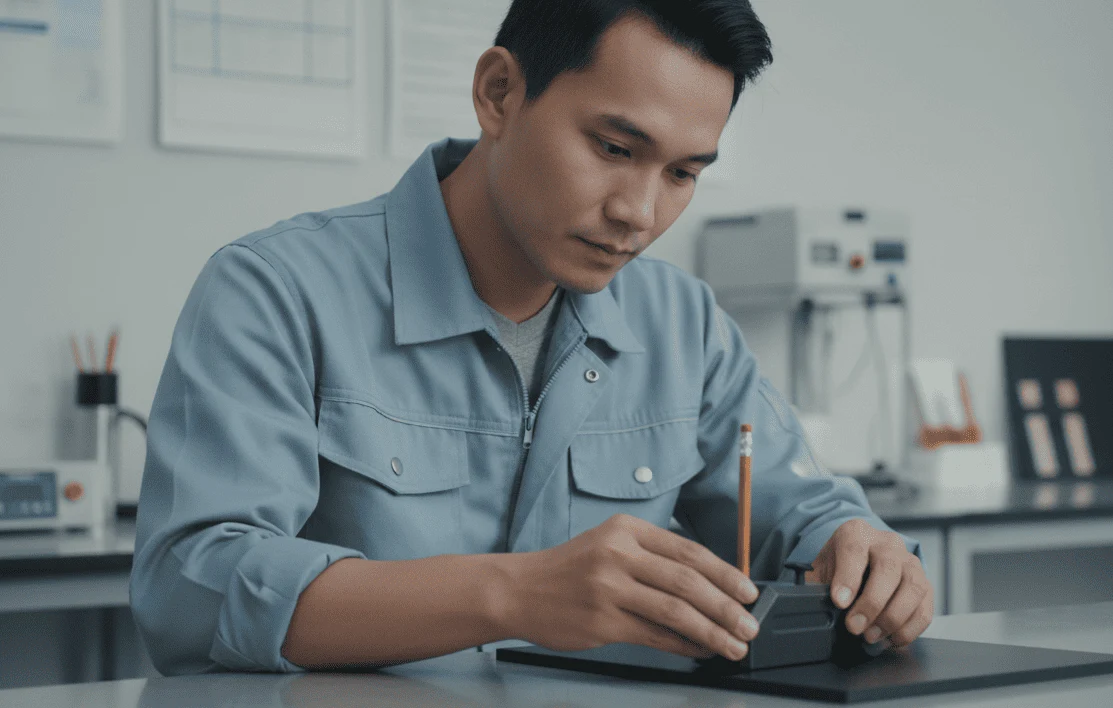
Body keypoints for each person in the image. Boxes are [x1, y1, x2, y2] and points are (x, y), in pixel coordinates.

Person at [130, 0, 933, 674]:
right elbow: (188, 590)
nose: (641, 213)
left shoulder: (681, 322)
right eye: (614, 149)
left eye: (683, 174)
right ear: (499, 92)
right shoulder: (275, 290)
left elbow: (811, 514)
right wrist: (513, 594)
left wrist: (861, 551)